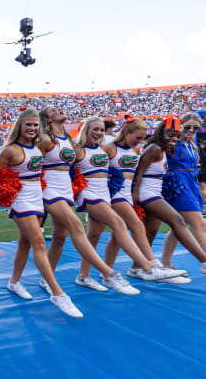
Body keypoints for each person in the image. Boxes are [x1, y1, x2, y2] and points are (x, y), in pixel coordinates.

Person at [22, 107, 139, 296]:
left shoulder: (68, 140)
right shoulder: (45, 139)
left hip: (67, 190)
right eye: (53, 110)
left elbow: (82, 162)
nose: (58, 109)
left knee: (60, 237)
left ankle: (47, 278)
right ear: (49, 119)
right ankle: (108, 273)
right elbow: (29, 160)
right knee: (76, 225)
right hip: (50, 190)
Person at [73, 117, 182, 283]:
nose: (140, 141)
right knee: (136, 225)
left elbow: (139, 173)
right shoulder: (108, 148)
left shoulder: (137, 150)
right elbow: (93, 167)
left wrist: (136, 192)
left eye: (142, 138)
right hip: (112, 193)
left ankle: (93, 275)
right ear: (126, 132)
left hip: (127, 195)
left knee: (103, 236)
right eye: (137, 138)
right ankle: (153, 265)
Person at [0, 108, 82, 318]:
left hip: (37, 195)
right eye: (28, 125)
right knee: (39, 242)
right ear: (20, 126)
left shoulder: (38, 147)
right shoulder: (10, 150)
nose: (32, 128)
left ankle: (14, 282)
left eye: (35, 125)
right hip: (21, 198)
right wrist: (7, 193)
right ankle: (58, 294)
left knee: (25, 242)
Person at [132, 119, 206, 274]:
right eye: (171, 135)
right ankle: (204, 260)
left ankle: (137, 267)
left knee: (150, 232)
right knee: (179, 221)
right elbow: (139, 171)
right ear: (161, 133)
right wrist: (135, 194)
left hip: (159, 191)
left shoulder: (167, 149)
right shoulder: (155, 148)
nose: (175, 139)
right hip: (151, 193)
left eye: (176, 136)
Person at [159, 113, 206, 270]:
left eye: (195, 127)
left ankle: (165, 263)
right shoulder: (172, 142)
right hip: (178, 184)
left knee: (179, 225)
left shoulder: (191, 144)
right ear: (180, 127)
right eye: (187, 127)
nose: (191, 130)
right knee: (200, 224)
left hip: (191, 183)